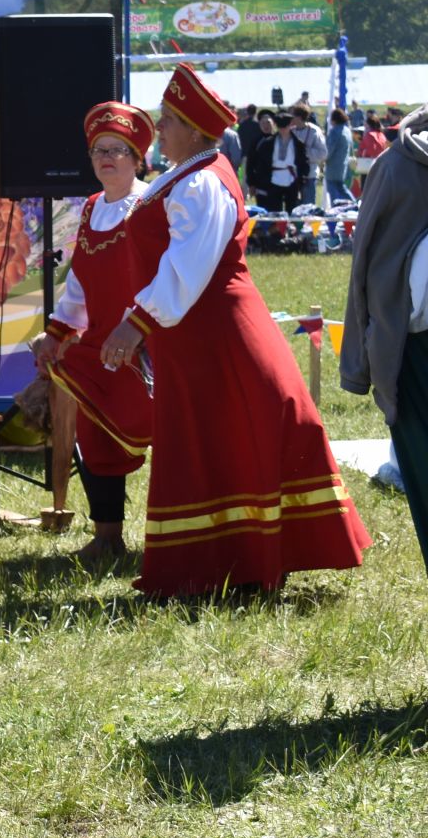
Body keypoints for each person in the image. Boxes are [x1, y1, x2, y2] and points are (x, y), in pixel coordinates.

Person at [98, 65, 370, 596]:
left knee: (242, 436)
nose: (161, 126)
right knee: (215, 442)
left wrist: (136, 323)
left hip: (219, 335)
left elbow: (189, 264)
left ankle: (252, 561)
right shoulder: (190, 173)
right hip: (199, 337)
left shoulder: (201, 181)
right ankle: (219, 563)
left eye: (170, 119)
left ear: (197, 130)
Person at [34, 102, 156, 566]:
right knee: (94, 433)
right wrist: (56, 333)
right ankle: (108, 536)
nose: (107, 158)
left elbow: (165, 276)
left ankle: (176, 531)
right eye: (99, 150)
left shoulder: (150, 205)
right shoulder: (89, 209)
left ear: (137, 157)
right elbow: (80, 281)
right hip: (101, 345)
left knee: (168, 434)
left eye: (118, 150)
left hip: (147, 344)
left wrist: (138, 331)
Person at [341, 106, 428, 572]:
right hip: (414, 350)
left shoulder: (392, 165)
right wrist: (361, 360)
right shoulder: (394, 166)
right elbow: (366, 266)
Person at [246, 111, 306, 213]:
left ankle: (291, 227)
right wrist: (254, 182)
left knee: (292, 208)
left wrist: (302, 178)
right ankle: (276, 228)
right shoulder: (268, 143)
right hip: (273, 179)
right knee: (274, 209)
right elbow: (258, 163)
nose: (283, 130)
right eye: (280, 127)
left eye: (285, 127)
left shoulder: (298, 143)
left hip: (291, 178)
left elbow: (303, 161)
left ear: (290, 126)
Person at [289, 104, 326, 207]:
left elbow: (323, 153)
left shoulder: (314, 131)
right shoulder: (291, 131)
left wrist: (304, 153)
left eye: (293, 116)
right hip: (293, 175)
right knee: (294, 206)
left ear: (300, 117)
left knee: (308, 205)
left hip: (310, 174)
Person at [324, 107, 352, 205]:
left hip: (333, 167)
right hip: (343, 165)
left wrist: (323, 158)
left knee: (333, 192)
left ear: (334, 119)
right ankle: (354, 204)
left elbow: (329, 150)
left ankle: (335, 211)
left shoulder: (335, 131)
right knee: (342, 188)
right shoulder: (347, 131)